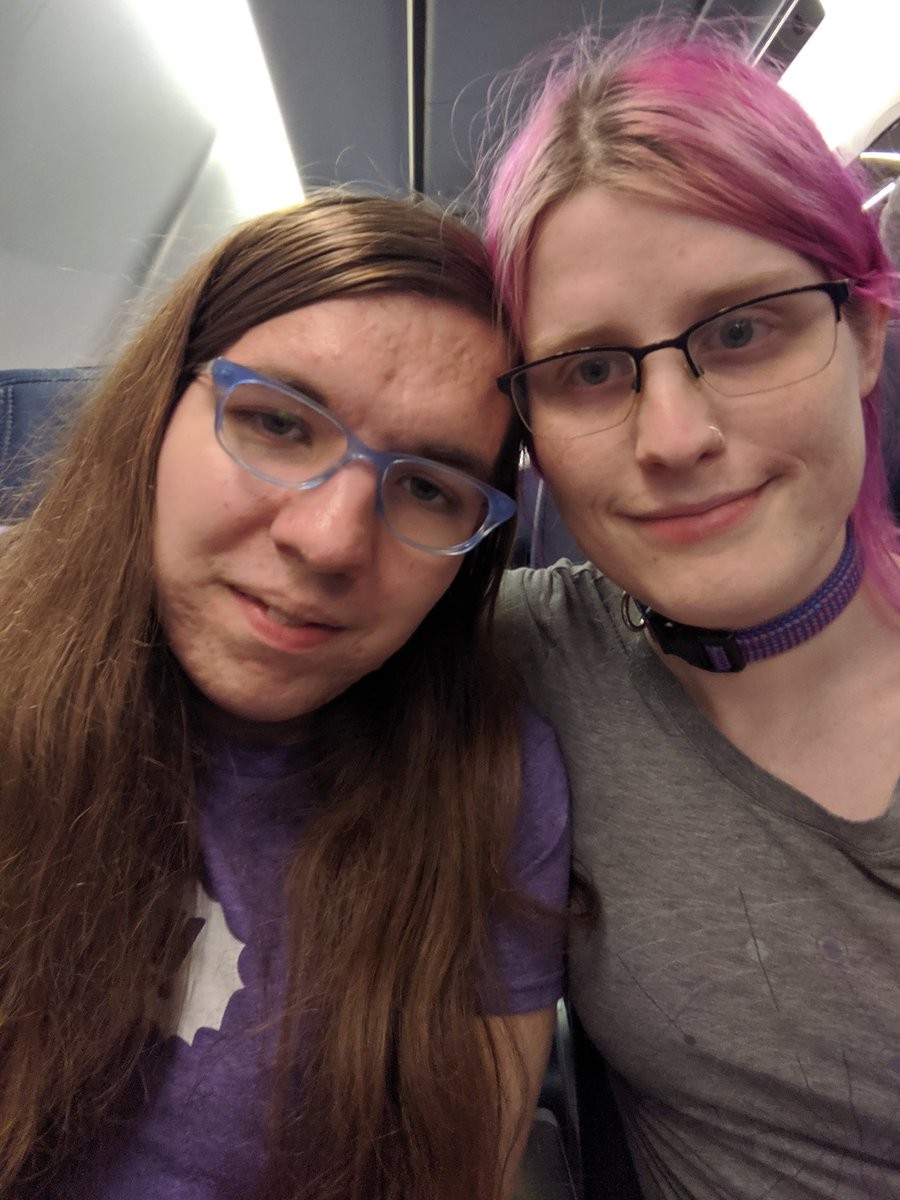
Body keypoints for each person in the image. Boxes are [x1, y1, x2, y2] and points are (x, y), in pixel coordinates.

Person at [0, 192, 570, 1200]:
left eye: (430, 487)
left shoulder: (491, 786)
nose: (330, 541)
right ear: (157, 411)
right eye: (274, 422)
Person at [482, 22, 900, 1200]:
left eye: (741, 330)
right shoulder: (520, 658)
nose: (674, 438)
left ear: (864, 333)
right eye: (593, 372)